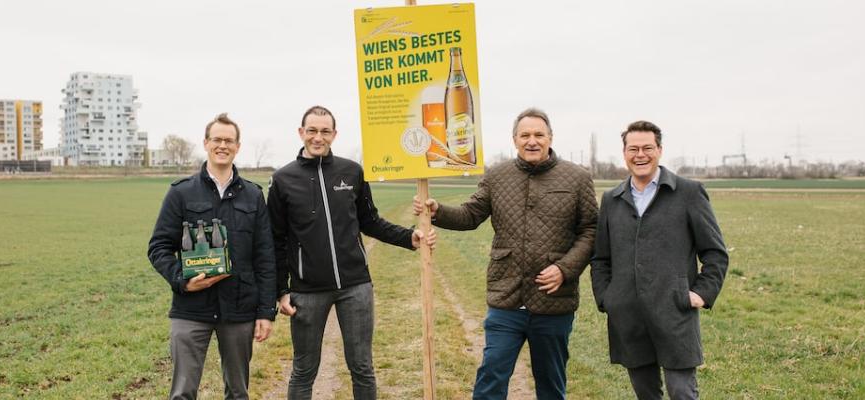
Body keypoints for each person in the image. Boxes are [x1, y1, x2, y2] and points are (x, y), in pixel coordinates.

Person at [412, 108, 597, 400]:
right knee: (491, 377)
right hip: (506, 298)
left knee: (551, 385)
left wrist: (565, 269)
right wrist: (438, 212)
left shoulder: (577, 178)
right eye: (525, 135)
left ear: (550, 138)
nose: (532, 141)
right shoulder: (497, 176)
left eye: (539, 134)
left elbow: (590, 230)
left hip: (553, 302)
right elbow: (470, 215)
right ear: (515, 140)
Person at [268, 105, 437, 400]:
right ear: (301, 133)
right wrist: (281, 290)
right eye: (312, 131)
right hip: (307, 291)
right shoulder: (283, 179)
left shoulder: (352, 171)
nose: (318, 137)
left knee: (362, 367)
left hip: (355, 287)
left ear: (334, 134)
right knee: (304, 370)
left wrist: (409, 237)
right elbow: (276, 239)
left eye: (324, 131)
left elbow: (370, 221)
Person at [590, 120, 729, 400]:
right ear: (624, 153)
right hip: (628, 315)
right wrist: (608, 298)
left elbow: (715, 252)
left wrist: (701, 293)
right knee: (645, 394)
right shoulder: (612, 199)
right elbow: (601, 258)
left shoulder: (688, 193)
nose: (640, 155)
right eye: (633, 149)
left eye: (647, 148)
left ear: (660, 150)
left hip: (674, 312)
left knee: (682, 393)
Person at [148, 113, 277, 399]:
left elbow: (265, 256)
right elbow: (158, 247)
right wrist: (182, 281)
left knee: (238, 392)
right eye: (217, 139)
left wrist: (266, 312)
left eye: (229, 140)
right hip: (191, 307)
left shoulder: (253, 196)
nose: (223, 145)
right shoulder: (181, 193)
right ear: (206, 143)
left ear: (237, 146)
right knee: (182, 392)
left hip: (240, 309)